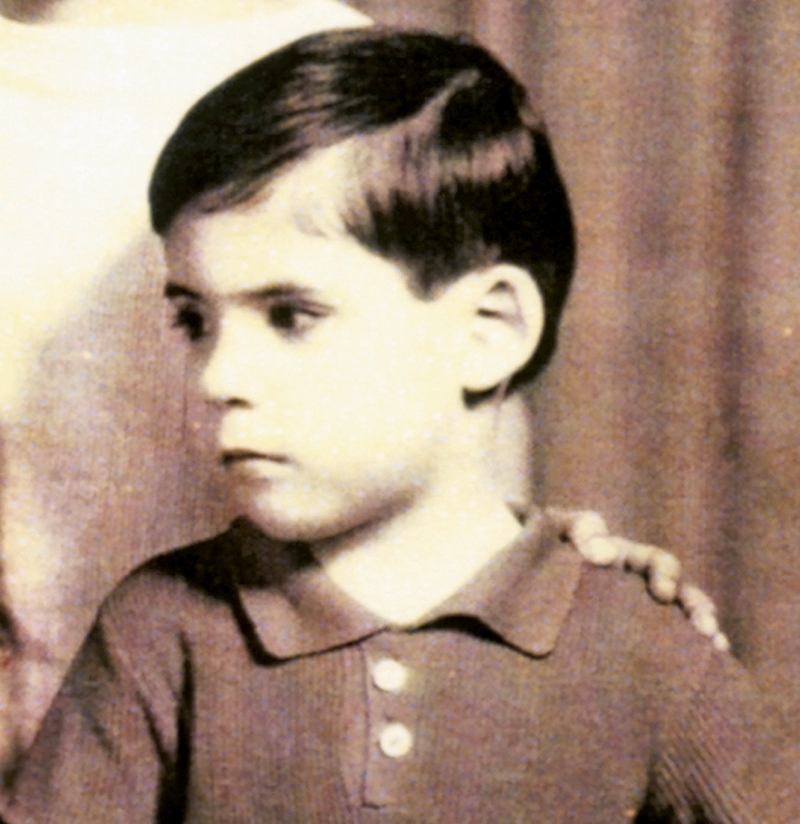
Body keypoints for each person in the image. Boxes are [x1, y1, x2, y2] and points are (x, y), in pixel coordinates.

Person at [0, 27, 775, 822]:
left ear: (490, 331)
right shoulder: (159, 632)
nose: (217, 378)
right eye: (195, 321)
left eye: (291, 315)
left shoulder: (641, 647)